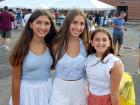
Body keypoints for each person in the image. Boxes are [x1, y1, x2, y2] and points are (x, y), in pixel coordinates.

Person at [9, 9, 57, 105]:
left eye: (47, 23)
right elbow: (15, 80)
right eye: (38, 22)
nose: (43, 27)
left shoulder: (52, 45)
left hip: (47, 91)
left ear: (50, 26)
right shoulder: (21, 47)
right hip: (26, 93)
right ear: (31, 25)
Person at [50, 9, 89, 105]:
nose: (78, 27)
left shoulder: (86, 44)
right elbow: (50, 65)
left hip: (80, 90)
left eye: (82, 24)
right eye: (74, 22)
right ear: (67, 23)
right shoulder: (57, 43)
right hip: (59, 89)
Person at [86, 28, 124, 105]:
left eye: (104, 40)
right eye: (97, 39)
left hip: (106, 101)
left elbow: (115, 94)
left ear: (109, 43)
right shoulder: (89, 58)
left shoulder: (114, 63)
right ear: (92, 43)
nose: (101, 42)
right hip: (91, 98)